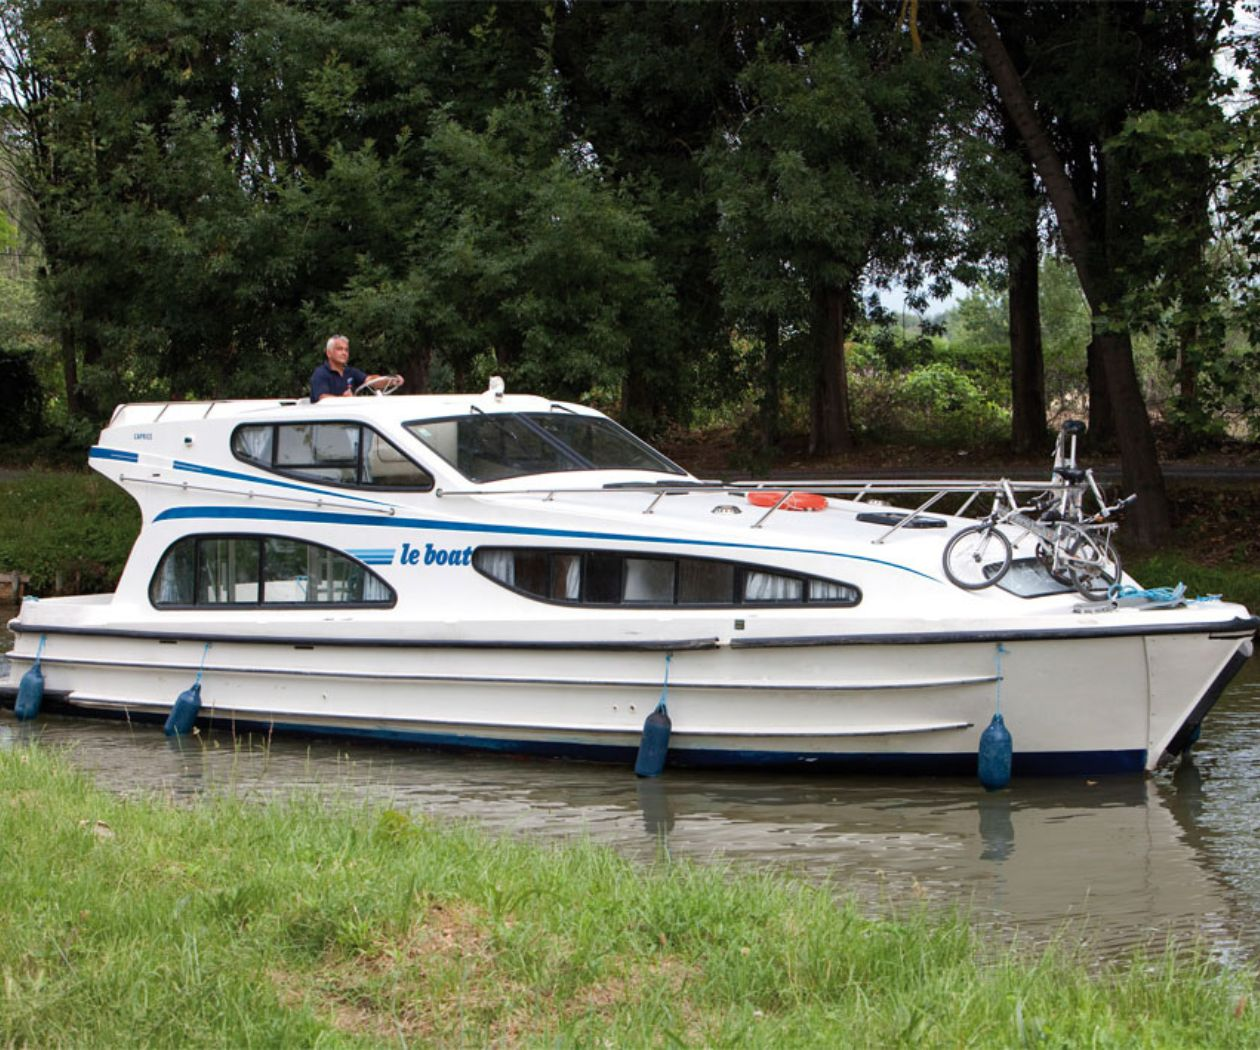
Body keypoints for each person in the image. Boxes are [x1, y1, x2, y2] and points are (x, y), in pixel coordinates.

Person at [309, 334, 403, 401]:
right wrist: (344, 400)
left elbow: (370, 381)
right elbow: (322, 399)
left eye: (346, 350)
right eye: (339, 349)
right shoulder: (320, 373)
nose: (344, 353)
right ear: (329, 353)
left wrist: (391, 381)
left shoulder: (350, 372)